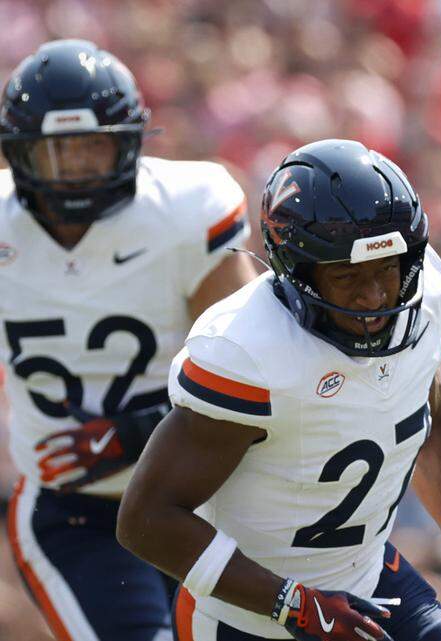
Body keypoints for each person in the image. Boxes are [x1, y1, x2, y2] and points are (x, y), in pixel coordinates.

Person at [116, 139, 441, 641]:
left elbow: (431, 421)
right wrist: (295, 605)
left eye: (385, 271)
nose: (373, 296)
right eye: (348, 276)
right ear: (299, 273)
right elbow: (146, 519)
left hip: (369, 582)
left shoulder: (425, 294)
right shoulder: (249, 351)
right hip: (250, 621)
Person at [0, 40, 257, 641]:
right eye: (54, 152)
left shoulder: (185, 209)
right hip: (77, 510)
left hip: (202, 497)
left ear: (130, 140)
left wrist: (142, 430)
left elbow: (251, 370)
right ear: (18, 154)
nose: (75, 170)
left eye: (93, 146)